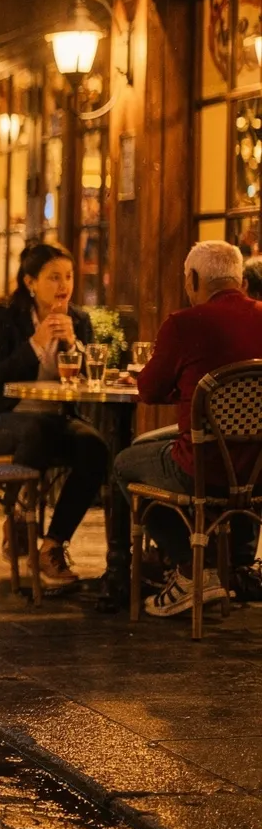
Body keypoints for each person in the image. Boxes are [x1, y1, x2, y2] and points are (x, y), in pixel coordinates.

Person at [113, 241, 262, 616]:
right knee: (154, 442)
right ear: (240, 279)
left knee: (125, 462)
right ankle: (233, 567)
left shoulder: (184, 324)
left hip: (204, 467)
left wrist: (184, 386)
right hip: (258, 470)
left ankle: (190, 571)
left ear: (193, 279)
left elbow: (148, 390)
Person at [0, 243, 110, 591]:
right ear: (30, 282)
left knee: (96, 447)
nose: (64, 285)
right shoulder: (4, 318)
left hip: (54, 419)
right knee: (39, 428)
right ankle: (16, 516)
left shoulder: (78, 320)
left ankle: (51, 546)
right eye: (53, 278)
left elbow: (83, 382)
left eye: (68, 277)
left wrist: (74, 346)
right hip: (1, 421)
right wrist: (36, 342)